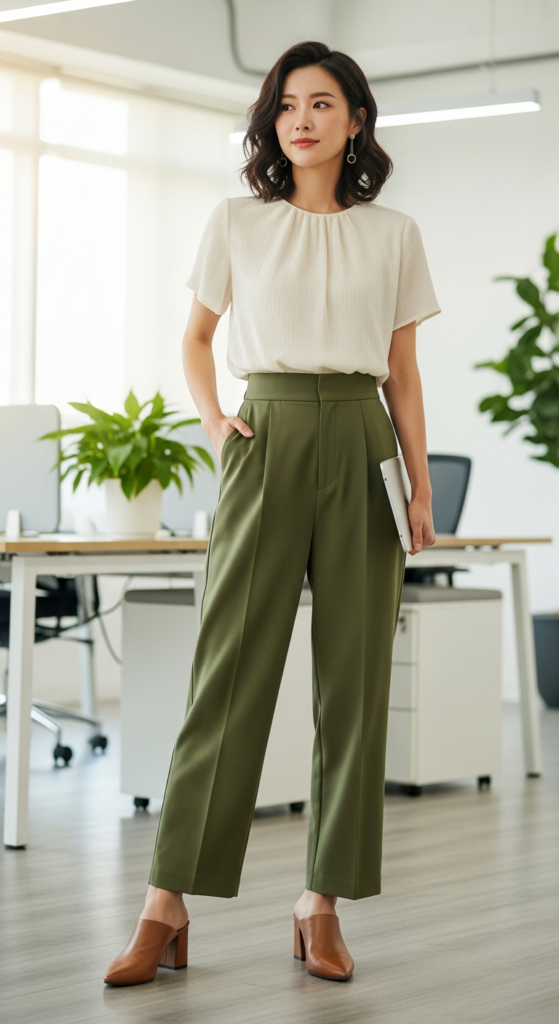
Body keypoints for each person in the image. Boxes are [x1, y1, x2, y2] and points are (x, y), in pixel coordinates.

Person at [104, 39, 439, 987]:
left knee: (353, 680)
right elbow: (197, 337)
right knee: (229, 671)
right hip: (267, 432)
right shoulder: (235, 223)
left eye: (323, 102)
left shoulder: (394, 233)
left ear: (355, 121)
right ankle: (164, 904)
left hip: (363, 438)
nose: (302, 117)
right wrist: (215, 419)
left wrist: (417, 483)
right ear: (271, 120)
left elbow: (406, 376)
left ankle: (319, 904)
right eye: (287, 102)